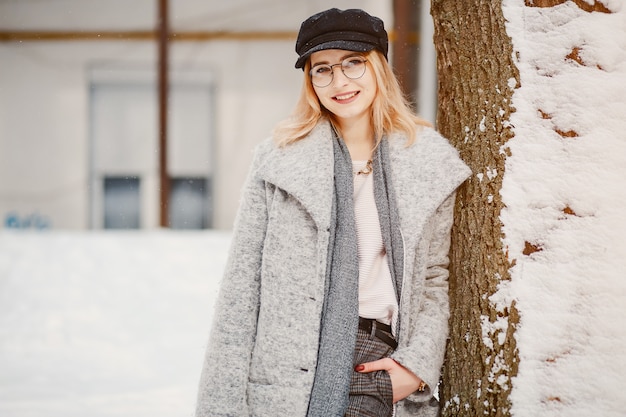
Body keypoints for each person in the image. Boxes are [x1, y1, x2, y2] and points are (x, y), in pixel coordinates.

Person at [195, 8, 471, 417]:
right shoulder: (279, 161)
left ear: (378, 65)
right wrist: (220, 405)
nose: (338, 81)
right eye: (321, 69)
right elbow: (242, 288)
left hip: (377, 362)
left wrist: (416, 366)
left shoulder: (428, 161)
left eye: (353, 63)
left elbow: (435, 279)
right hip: (287, 371)